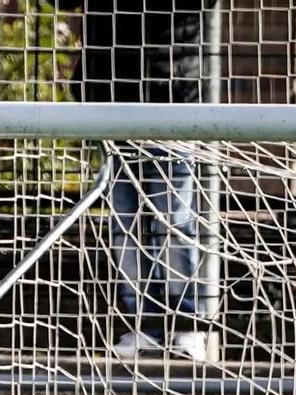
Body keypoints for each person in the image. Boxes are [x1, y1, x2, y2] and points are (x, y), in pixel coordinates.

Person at [54, 0, 213, 363]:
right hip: (110, 97)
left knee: (172, 218)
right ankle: (145, 323)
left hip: (170, 96)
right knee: (125, 221)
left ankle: (184, 325)